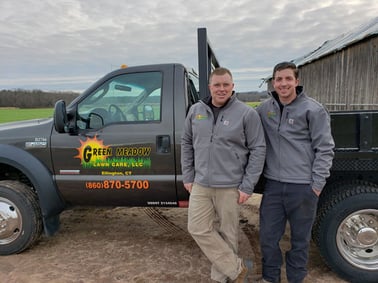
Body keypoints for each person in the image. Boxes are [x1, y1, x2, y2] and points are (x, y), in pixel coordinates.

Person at [181, 67, 266, 283]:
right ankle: (236, 270)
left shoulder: (247, 113)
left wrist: (247, 186)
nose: (221, 89)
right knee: (197, 228)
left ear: (232, 86)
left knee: (229, 234)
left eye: (225, 85)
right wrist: (188, 176)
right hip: (201, 184)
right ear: (209, 87)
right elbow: (187, 142)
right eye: (217, 85)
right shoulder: (196, 111)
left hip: (230, 185)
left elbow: (258, 149)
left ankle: (221, 278)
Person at [255, 62, 335, 283]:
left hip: (303, 187)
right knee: (268, 238)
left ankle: (296, 279)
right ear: (273, 82)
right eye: (279, 79)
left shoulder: (313, 110)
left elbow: (325, 149)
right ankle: (270, 278)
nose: (283, 83)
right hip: (273, 186)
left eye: (288, 79)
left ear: (296, 81)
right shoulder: (264, 109)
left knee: (300, 240)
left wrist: (316, 185)